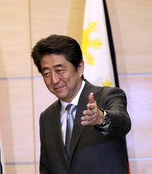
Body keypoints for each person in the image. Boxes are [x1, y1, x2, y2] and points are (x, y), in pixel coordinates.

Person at [31, 34, 131, 174]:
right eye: (46, 73)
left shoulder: (108, 96)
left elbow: (122, 123)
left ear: (79, 68)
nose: (54, 80)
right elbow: (46, 168)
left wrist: (101, 119)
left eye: (60, 70)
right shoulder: (46, 117)